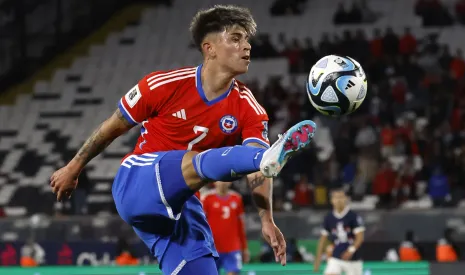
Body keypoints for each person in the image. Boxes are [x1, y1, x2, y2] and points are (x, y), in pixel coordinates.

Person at [49, 5, 316, 275]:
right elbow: (111, 127)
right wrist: (74, 167)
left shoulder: (249, 108)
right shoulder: (162, 85)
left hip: (183, 204)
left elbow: (259, 170)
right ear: (209, 48)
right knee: (200, 161)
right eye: (236, 38)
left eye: (247, 39)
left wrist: (266, 219)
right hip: (137, 182)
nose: (246, 46)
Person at [313, 187, 365, 275]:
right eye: (336, 197)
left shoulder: (353, 216)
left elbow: (360, 237)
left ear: (346, 199)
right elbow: (322, 240)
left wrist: (350, 250)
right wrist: (318, 259)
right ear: (332, 200)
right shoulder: (329, 218)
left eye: (341, 197)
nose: (338, 200)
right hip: (336, 256)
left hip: (353, 259)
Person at [201, 181, 249, 275]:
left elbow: (240, 226)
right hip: (212, 247)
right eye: (220, 180)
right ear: (215, 182)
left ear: (230, 182)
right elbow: (201, 224)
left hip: (232, 247)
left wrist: (244, 248)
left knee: (233, 272)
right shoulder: (207, 198)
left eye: (225, 180)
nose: (222, 183)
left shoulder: (237, 198)